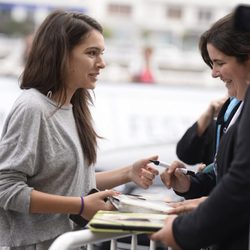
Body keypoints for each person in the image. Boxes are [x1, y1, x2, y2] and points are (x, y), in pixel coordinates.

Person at [0, 10, 159, 249]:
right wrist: (81, 206)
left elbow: (71, 184)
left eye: (101, 53)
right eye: (91, 53)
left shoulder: (73, 107)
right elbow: (6, 189)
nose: (102, 63)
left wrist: (128, 173)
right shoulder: (32, 108)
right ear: (61, 55)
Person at [151, 12, 250, 250]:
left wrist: (183, 232)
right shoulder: (235, 106)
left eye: (220, 63)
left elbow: (241, 184)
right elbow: (223, 174)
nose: (214, 73)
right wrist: (188, 184)